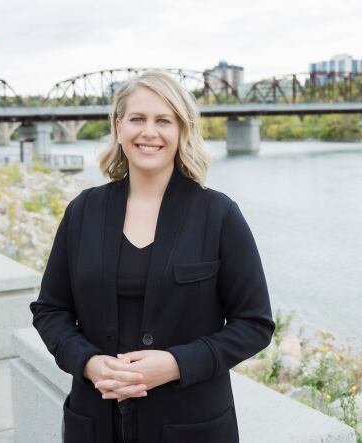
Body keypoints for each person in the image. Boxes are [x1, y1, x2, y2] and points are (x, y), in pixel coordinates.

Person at [30, 71, 274, 443]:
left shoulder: (218, 214)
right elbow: (50, 310)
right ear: (118, 125)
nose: (149, 132)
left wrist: (176, 365)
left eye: (164, 120)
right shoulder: (83, 212)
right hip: (95, 422)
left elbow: (254, 323)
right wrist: (89, 363)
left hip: (191, 424)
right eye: (137, 119)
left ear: (182, 130)